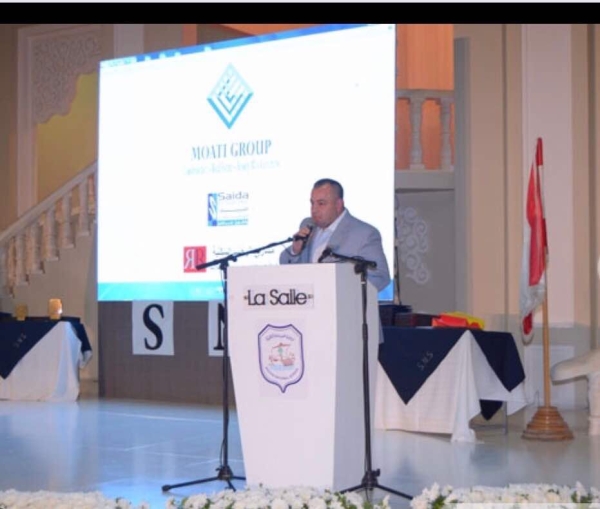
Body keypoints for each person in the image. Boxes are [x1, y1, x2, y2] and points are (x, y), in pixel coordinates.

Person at [280, 178, 391, 293]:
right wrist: (295, 251)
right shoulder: (308, 227)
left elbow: (380, 277)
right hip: (306, 301)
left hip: (343, 303)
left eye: (321, 203)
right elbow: (284, 264)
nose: (314, 209)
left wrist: (342, 294)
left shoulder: (365, 233)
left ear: (338, 205)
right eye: (312, 203)